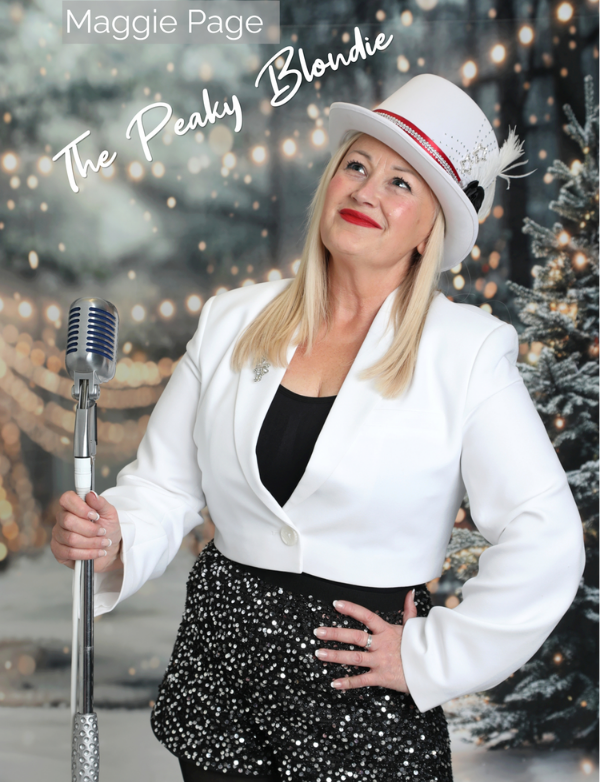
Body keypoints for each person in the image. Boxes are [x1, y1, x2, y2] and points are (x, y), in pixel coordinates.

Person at [51, 74, 586, 782]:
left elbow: (546, 535)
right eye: (356, 165)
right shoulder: (231, 319)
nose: (367, 190)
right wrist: (114, 535)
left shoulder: (467, 351)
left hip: (360, 697)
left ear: (432, 228)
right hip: (223, 685)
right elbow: (164, 487)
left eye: (402, 183)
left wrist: (427, 656)